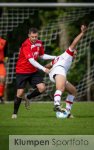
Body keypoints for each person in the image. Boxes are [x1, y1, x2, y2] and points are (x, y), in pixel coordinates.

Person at [12, 27, 56, 119]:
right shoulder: (25, 45)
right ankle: (15, 113)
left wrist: (55, 57)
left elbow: (42, 55)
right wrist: (44, 69)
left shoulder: (39, 43)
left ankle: (28, 97)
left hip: (33, 71)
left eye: (36, 36)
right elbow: (31, 60)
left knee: (42, 88)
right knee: (20, 93)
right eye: (32, 37)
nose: (34, 38)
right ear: (29, 36)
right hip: (22, 71)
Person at [48, 24, 87, 118]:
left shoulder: (59, 57)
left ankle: (67, 112)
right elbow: (74, 43)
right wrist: (82, 33)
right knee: (60, 89)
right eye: (75, 52)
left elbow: (48, 65)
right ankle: (57, 105)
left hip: (54, 72)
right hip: (59, 70)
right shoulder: (68, 53)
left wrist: (42, 69)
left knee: (73, 91)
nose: (75, 54)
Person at [0, 37, 8, 104]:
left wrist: (5, 60)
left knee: (2, 79)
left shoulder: (3, 42)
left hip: (1, 63)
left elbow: (5, 53)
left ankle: (1, 96)